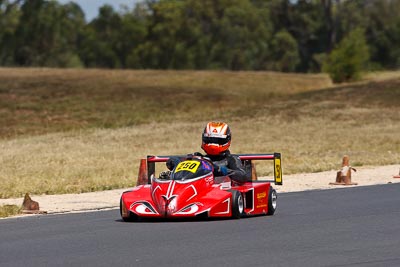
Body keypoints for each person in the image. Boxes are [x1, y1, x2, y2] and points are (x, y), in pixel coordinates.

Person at [163, 122, 248, 183]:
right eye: (210, 140)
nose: (213, 143)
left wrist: (219, 169)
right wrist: (177, 162)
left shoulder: (231, 159)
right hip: (197, 190)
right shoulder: (198, 158)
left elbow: (242, 176)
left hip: (219, 192)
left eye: (217, 140)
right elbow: (173, 160)